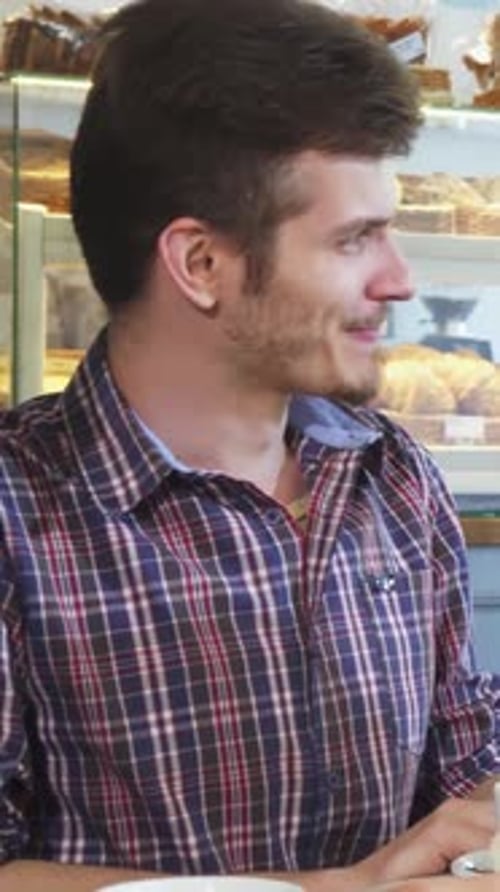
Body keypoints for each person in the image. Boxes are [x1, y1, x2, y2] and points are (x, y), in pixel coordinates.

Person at [0, 0, 499, 890]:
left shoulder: (390, 477)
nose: (400, 279)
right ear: (201, 265)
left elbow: (464, 765)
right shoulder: (18, 511)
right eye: (355, 240)